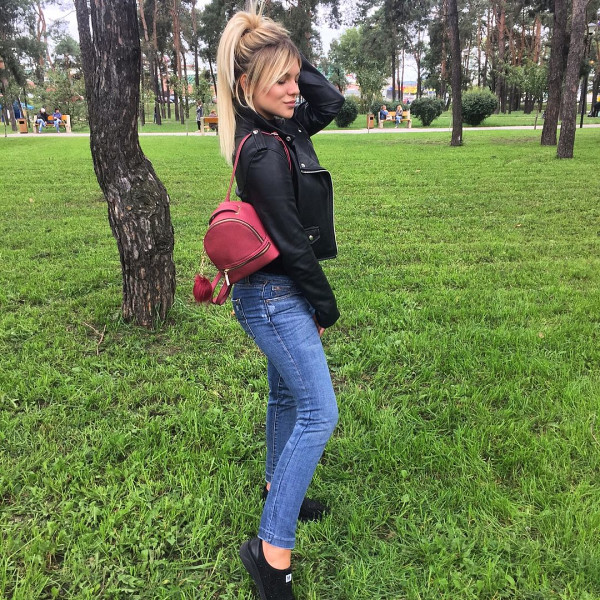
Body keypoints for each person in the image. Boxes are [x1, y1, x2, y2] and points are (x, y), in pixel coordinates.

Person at [216, 4, 343, 599]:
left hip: (274, 289)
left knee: (286, 396)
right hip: (275, 294)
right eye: (282, 81)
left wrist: (282, 48)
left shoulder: (282, 125)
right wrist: (324, 306)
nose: (296, 90)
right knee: (319, 413)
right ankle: (270, 553)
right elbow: (292, 243)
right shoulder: (263, 148)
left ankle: (277, 487)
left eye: (296, 77)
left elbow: (331, 101)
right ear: (247, 85)